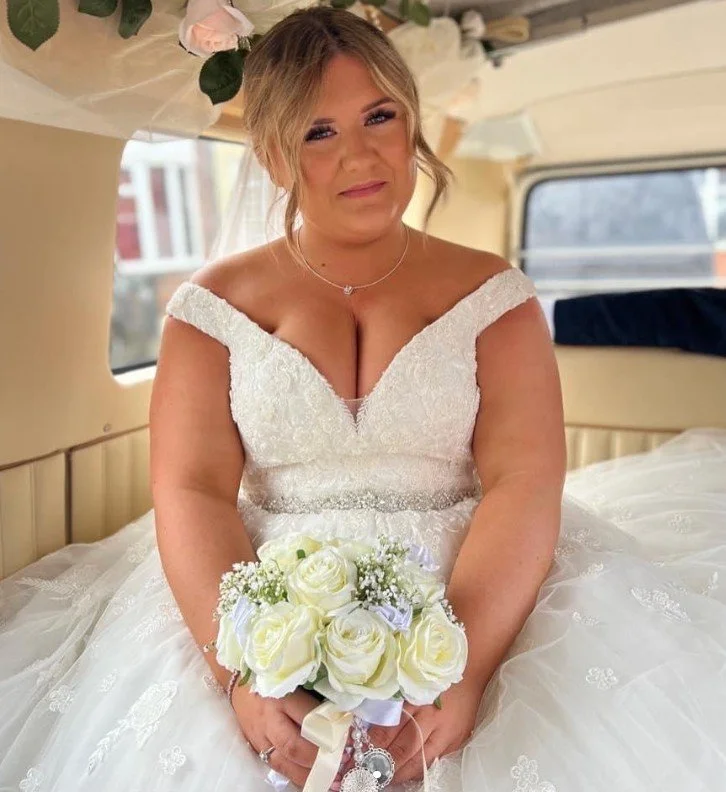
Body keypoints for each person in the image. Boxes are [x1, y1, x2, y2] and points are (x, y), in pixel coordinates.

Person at [1, 8, 725, 792]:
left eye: (381, 116)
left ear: (411, 121)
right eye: (320, 132)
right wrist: (241, 674)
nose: (363, 153)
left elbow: (522, 481)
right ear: (276, 157)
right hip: (254, 588)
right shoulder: (210, 311)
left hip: (478, 577)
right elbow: (193, 488)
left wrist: (467, 670)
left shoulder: (496, 297)